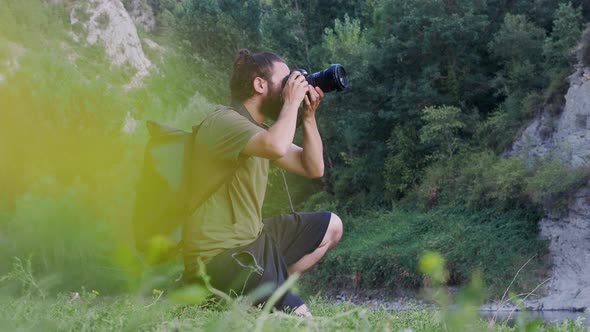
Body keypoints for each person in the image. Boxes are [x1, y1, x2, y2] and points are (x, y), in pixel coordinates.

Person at [181, 49, 343, 317]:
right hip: (219, 256)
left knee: (332, 226)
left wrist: (308, 116)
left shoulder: (261, 134)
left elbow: (313, 167)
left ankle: (259, 294)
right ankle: (249, 295)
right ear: (259, 84)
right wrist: (291, 103)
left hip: (254, 240)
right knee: (301, 319)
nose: (291, 87)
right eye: (286, 81)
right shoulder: (223, 121)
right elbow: (277, 146)